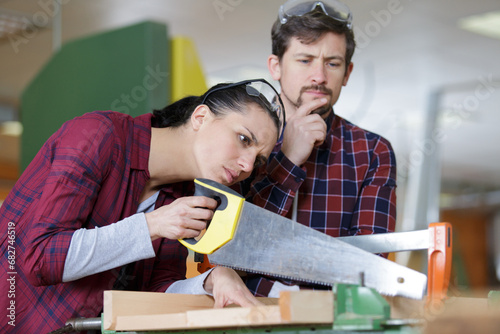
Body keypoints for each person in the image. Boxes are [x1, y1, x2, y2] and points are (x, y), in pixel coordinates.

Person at [0, 78, 284, 332]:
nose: (247, 165)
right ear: (200, 117)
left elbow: (154, 290)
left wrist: (212, 279)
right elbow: (40, 257)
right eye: (244, 139)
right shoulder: (98, 135)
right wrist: (153, 226)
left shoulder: (184, 195)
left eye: (258, 160)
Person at [240, 0, 397, 297]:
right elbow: (229, 245)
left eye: (332, 63)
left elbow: (368, 266)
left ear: (347, 73)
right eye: (305, 60)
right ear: (276, 66)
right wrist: (287, 160)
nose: (319, 77)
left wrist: (304, 299)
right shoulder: (241, 137)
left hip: (332, 321)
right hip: (248, 315)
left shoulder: (373, 151)